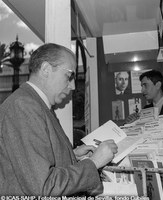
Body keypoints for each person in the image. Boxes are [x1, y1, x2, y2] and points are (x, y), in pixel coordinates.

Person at [0, 43, 118, 196]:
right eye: (69, 76)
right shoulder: (24, 106)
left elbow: (33, 161)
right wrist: (94, 162)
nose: (73, 86)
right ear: (46, 69)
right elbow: (43, 187)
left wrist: (72, 155)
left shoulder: (37, 104)